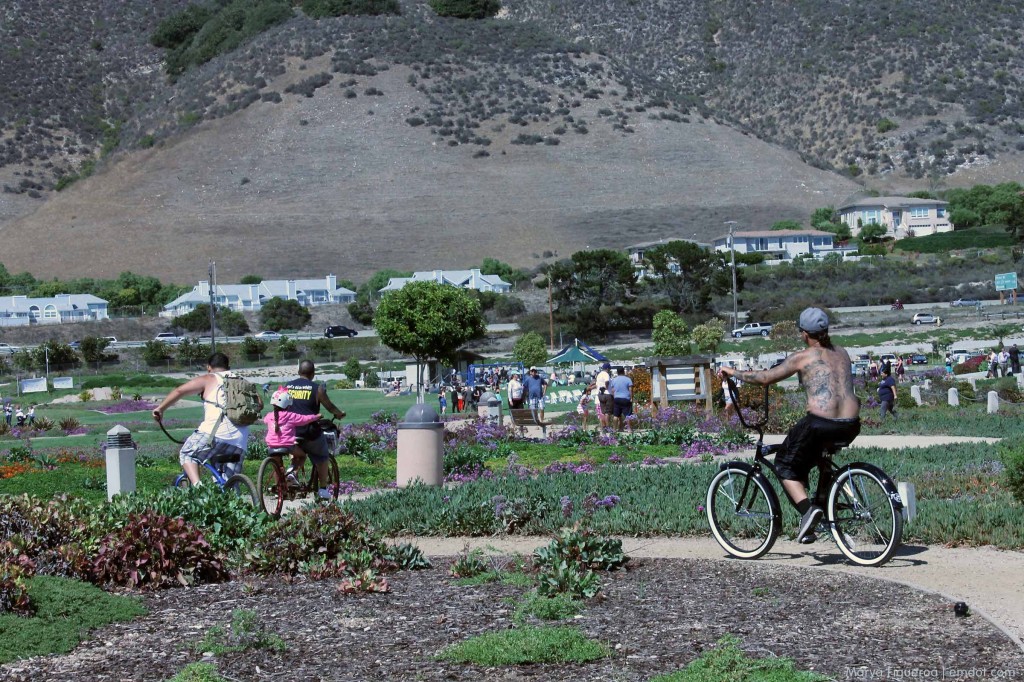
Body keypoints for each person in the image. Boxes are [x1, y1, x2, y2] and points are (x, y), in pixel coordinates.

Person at [719, 307, 860, 545]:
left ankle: (808, 511)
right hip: (850, 424)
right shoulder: (842, 353)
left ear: (804, 334)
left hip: (820, 423)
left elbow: (765, 378)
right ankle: (820, 510)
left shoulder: (802, 357)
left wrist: (732, 372)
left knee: (784, 463)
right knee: (809, 459)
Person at [153, 352, 262, 485]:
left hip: (213, 434)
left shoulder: (209, 378)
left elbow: (179, 391)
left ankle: (198, 486)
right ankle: (234, 499)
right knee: (228, 485)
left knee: (187, 454)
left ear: (208, 367)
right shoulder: (242, 381)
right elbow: (259, 404)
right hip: (239, 440)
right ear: (228, 367)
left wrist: (160, 409)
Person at [283, 360, 347, 499]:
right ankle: (323, 489)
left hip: (290, 431)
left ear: (299, 372)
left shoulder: (287, 387)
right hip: (309, 431)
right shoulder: (317, 388)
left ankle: (292, 473)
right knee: (322, 455)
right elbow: (329, 406)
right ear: (313, 374)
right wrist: (339, 414)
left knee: (299, 452)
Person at [263, 388, 323, 487]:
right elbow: (305, 419)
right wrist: (316, 416)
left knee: (277, 467)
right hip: (287, 446)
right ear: (288, 404)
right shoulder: (291, 416)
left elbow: (265, 420)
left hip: (271, 447)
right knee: (302, 456)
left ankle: (279, 489)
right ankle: (292, 473)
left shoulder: (269, 416)